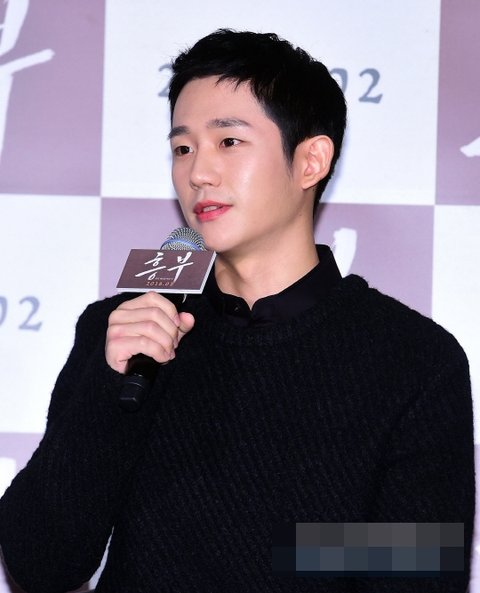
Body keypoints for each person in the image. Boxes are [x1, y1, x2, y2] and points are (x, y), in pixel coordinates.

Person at [0, 29, 474, 593]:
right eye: (183, 148)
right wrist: (107, 390)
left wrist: (284, 544)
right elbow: (40, 564)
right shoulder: (129, 330)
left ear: (310, 161)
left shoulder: (412, 360)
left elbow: (417, 574)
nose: (198, 173)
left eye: (228, 141)